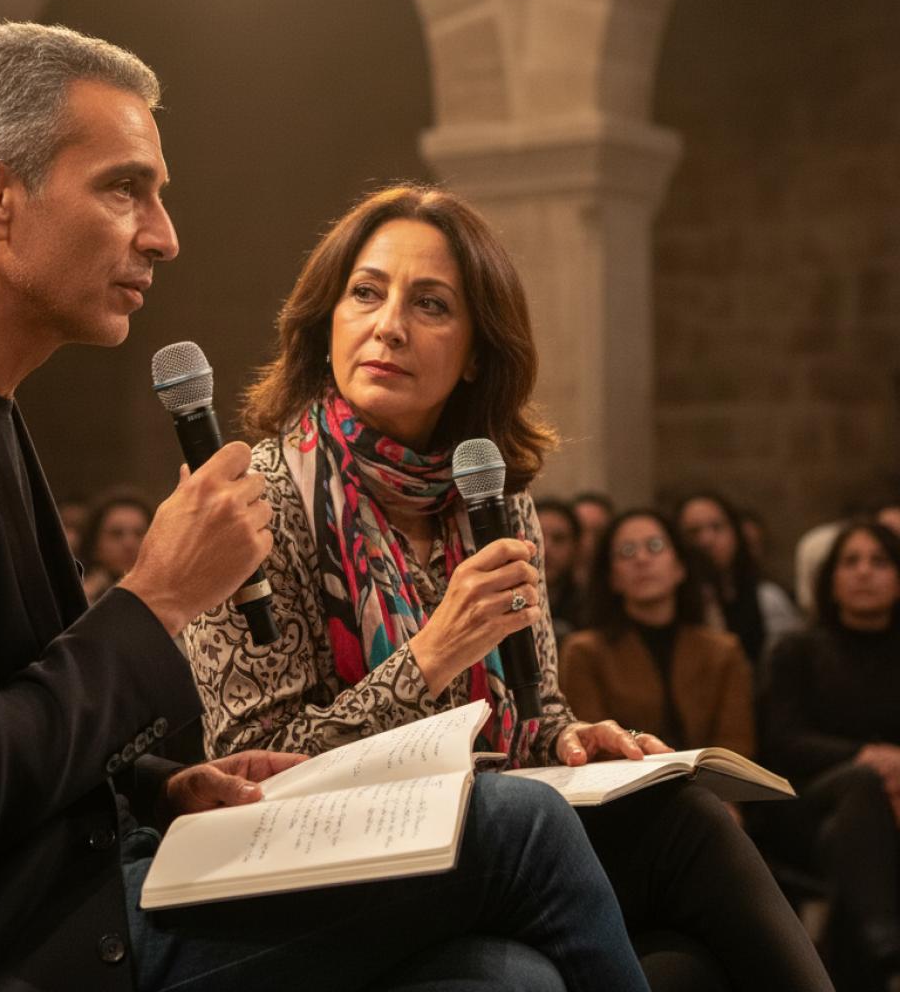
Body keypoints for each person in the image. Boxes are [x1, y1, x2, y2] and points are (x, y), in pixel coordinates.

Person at [0, 24, 650, 992]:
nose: (164, 234)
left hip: (47, 899)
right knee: (522, 827)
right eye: (124, 188)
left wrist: (162, 785)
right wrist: (153, 599)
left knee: (500, 980)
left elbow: (4, 713)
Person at [185, 184, 833, 992]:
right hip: (349, 873)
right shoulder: (259, 500)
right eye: (366, 292)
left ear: (477, 353)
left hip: (497, 828)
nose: (389, 325)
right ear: (327, 321)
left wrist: (568, 738)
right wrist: (429, 656)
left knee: (687, 831)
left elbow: (533, 705)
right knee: (522, 977)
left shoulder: (493, 498)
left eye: (430, 304)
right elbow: (251, 777)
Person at [759, 520, 900, 992]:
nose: (864, 573)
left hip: (869, 816)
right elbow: (783, 741)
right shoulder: (797, 649)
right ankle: (884, 939)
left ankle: (869, 958)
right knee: (861, 788)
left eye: (879, 562)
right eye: (850, 561)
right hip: (809, 802)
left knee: (852, 836)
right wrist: (867, 757)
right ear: (831, 579)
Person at [560, 510, 753, 757]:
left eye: (655, 546)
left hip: (712, 785)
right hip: (626, 786)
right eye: (626, 551)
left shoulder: (723, 650)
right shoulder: (584, 651)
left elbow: (737, 743)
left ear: (680, 567)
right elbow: (593, 744)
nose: (641, 559)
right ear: (612, 578)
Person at [676, 492, 802, 664]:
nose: (706, 540)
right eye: (693, 532)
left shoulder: (766, 599)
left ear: (736, 534)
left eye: (717, 527)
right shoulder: (669, 603)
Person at [80, 491, 153, 604]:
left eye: (139, 533)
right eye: (116, 534)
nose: (129, 544)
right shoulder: (81, 597)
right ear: (94, 544)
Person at [536, 499, 583, 643]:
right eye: (537, 537)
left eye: (559, 539)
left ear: (576, 547)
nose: (546, 548)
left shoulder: (592, 609)